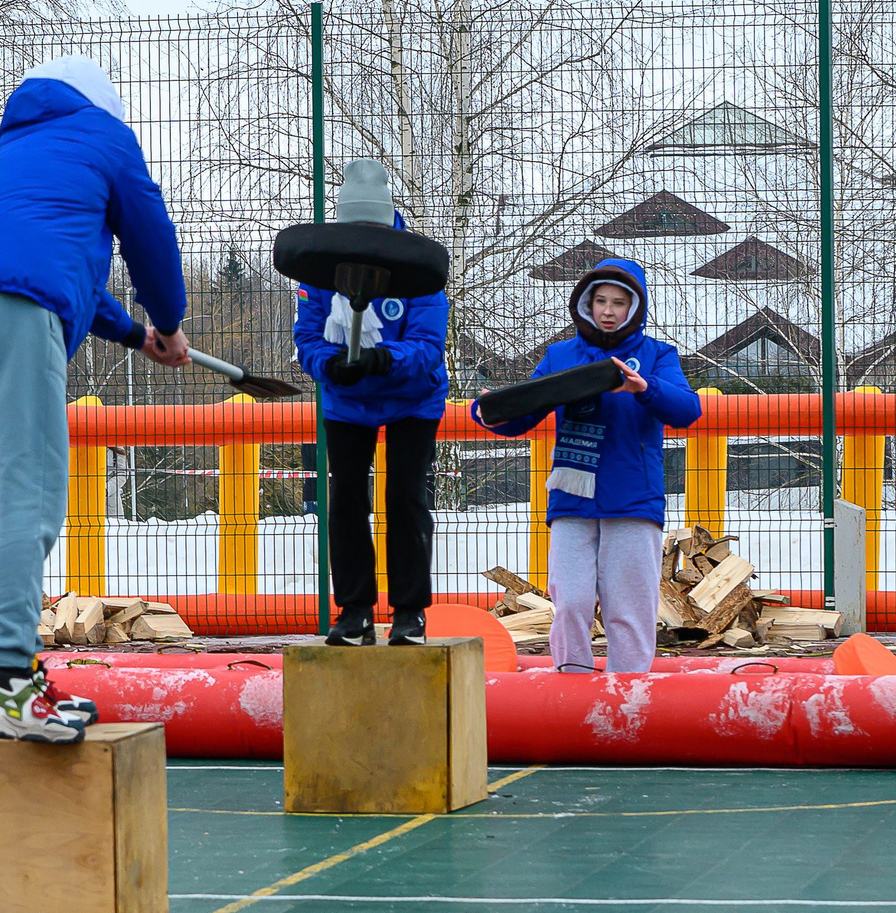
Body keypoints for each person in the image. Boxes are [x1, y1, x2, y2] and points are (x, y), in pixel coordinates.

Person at [0, 54, 189, 742]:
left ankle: (10, 679)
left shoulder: (18, 145)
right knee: (30, 495)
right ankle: (10, 683)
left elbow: (58, 263)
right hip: (17, 307)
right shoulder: (107, 137)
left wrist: (135, 334)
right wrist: (169, 318)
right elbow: (150, 234)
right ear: (104, 105)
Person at [477, 259, 701, 672]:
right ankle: (570, 684)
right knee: (571, 602)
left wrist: (644, 388)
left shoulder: (656, 355)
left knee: (628, 608)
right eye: (600, 300)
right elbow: (521, 417)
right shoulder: (561, 355)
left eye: (619, 302)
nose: (609, 310)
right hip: (571, 499)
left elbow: (687, 410)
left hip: (633, 499)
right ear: (585, 304)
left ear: (637, 307)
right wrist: (490, 409)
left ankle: (630, 691)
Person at [292, 167, 450, 646]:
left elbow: (427, 347)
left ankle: (409, 613)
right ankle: (355, 610)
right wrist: (328, 365)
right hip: (347, 401)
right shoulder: (322, 271)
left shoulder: (418, 268)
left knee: (404, 497)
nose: (364, 240)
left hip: (411, 399)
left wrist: (385, 359)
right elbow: (307, 337)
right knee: (344, 500)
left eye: (373, 232)